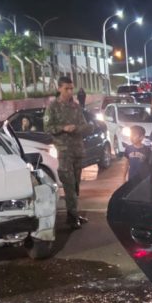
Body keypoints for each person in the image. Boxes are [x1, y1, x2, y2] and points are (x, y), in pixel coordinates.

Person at [44, 75, 94, 230]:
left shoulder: (76, 107)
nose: (70, 92)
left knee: (76, 185)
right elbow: (47, 128)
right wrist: (63, 128)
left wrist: (77, 128)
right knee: (69, 185)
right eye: (67, 89)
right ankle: (72, 217)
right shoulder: (52, 107)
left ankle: (73, 213)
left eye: (71, 88)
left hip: (77, 150)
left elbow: (85, 126)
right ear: (59, 88)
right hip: (64, 152)